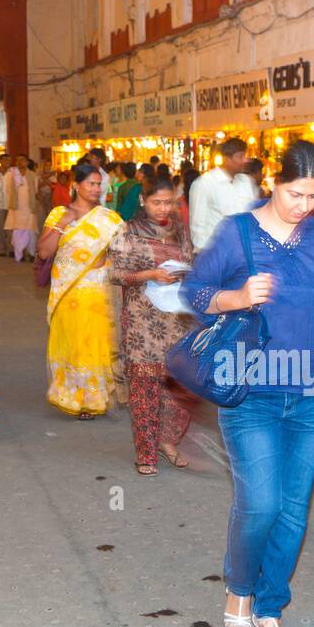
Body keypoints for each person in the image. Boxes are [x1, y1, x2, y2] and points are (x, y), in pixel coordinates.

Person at [180, 140, 314, 627]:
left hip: (313, 394)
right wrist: (236, 298)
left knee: (292, 510)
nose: (305, 205)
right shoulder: (237, 234)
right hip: (251, 391)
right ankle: (239, 588)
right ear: (274, 184)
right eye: (295, 193)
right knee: (260, 503)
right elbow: (194, 292)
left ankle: (270, 606)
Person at [107, 176, 199, 474]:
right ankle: (146, 452)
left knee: (181, 386)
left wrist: (187, 273)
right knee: (144, 386)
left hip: (178, 319)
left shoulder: (180, 231)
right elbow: (115, 274)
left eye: (169, 202)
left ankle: (168, 441)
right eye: (157, 202)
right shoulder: (128, 231)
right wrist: (150, 274)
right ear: (144, 201)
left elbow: (191, 263)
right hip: (142, 321)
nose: (164, 208)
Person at [39, 161, 125, 418]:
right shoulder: (58, 214)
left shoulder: (109, 218)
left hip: (99, 290)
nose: (96, 188)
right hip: (69, 291)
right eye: (91, 183)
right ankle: (72, 396)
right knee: (74, 343)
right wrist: (62, 224)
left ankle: (94, 397)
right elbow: (43, 251)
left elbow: (125, 254)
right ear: (75, 185)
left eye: (99, 184)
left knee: (96, 342)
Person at [187, 137, 257, 251]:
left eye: (245, 156)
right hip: (217, 253)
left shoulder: (246, 182)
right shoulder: (205, 183)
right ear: (227, 159)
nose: (245, 160)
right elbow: (198, 226)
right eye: (240, 156)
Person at [2, 154, 39, 262]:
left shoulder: (32, 175)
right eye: (17, 160)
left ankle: (32, 254)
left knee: (31, 231)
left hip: (29, 207)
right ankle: (20, 254)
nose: (19, 162)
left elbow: (35, 190)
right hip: (17, 207)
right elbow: (7, 189)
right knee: (17, 232)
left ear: (27, 162)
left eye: (22, 160)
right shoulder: (11, 174)